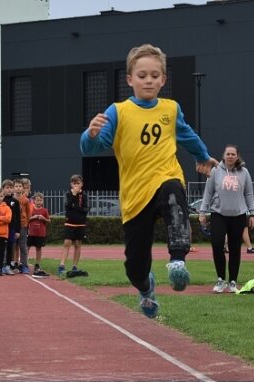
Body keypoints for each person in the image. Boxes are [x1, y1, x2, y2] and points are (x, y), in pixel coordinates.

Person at [80, 43, 216, 317]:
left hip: (165, 176)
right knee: (135, 267)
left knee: (173, 192)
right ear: (130, 79)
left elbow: (187, 135)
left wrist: (203, 156)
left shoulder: (170, 109)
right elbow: (93, 148)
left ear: (163, 79)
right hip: (134, 196)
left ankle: (177, 260)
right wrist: (90, 136)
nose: (149, 80)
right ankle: (146, 288)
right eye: (142, 75)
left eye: (155, 75)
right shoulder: (118, 111)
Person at [198, 145, 254, 294]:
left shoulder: (244, 173)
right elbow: (208, 193)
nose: (230, 156)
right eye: (228, 154)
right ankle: (220, 279)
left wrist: (253, 213)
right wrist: (202, 212)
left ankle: (232, 282)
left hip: (238, 216)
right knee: (217, 244)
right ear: (223, 156)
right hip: (218, 214)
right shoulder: (215, 171)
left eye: (233, 154)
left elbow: (249, 194)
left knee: (235, 248)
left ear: (237, 157)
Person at [57, 175, 90, 278]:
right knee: (67, 242)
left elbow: (85, 209)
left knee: (78, 244)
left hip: (80, 223)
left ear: (82, 184)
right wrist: (74, 195)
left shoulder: (84, 196)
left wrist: (75, 208)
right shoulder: (68, 194)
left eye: (78, 183)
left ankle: (75, 266)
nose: (76, 185)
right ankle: (62, 265)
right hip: (70, 222)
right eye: (74, 183)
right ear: (71, 184)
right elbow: (67, 206)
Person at [28, 192, 51, 278]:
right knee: (27, 247)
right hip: (31, 233)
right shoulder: (31, 210)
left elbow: (49, 221)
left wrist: (43, 218)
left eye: (40, 200)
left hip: (41, 233)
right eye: (37, 200)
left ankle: (37, 264)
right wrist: (33, 218)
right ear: (34, 201)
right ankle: (23, 262)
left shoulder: (45, 210)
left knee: (38, 248)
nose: (39, 202)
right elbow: (27, 220)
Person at [1, 179, 21, 275]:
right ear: (3, 189)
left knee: (10, 247)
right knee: (1, 247)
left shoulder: (15, 202)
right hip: (1, 228)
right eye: (7, 188)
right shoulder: (0, 200)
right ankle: (0, 265)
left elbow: (18, 217)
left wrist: (18, 231)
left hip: (11, 228)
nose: (9, 190)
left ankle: (8, 265)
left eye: (10, 188)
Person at [14, 178, 32, 274]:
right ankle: (13, 264)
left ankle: (24, 265)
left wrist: (26, 223)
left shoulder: (25, 200)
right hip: (13, 226)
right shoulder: (11, 199)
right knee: (13, 245)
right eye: (16, 186)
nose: (18, 188)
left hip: (23, 225)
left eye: (20, 186)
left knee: (23, 246)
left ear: (23, 188)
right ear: (13, 188)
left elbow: (28, 213)